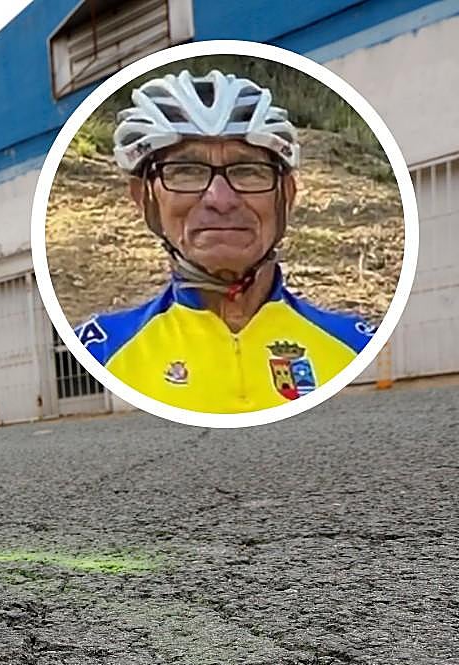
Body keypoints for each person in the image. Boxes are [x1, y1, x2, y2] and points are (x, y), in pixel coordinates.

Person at [74, 69, 375, 413]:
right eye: (186, 171)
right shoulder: (100, 352)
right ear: (144, 198)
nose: (220, 199)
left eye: (248, 170)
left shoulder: (357, 345)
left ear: (287, 195)